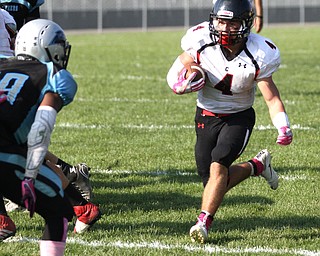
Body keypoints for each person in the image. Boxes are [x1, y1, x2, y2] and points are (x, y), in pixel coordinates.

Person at [166, 0, 293, 244]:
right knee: (211, 181)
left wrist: (283, 125)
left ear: (245, 24)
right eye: (221, 22)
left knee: (218, 166)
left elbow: (272, 96)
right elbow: (182, 63)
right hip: (206, 114)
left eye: (232, 23)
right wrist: (184, 79)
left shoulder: (259, 52)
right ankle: (257, 166)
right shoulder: (201, 39)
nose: (225, 28)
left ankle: (203, 222)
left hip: (238, 117)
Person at [0, 19, 101, 254]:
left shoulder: (2, 66)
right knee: (58, 211)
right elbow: (42, 127)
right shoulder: (53, 75)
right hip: (4, 151)